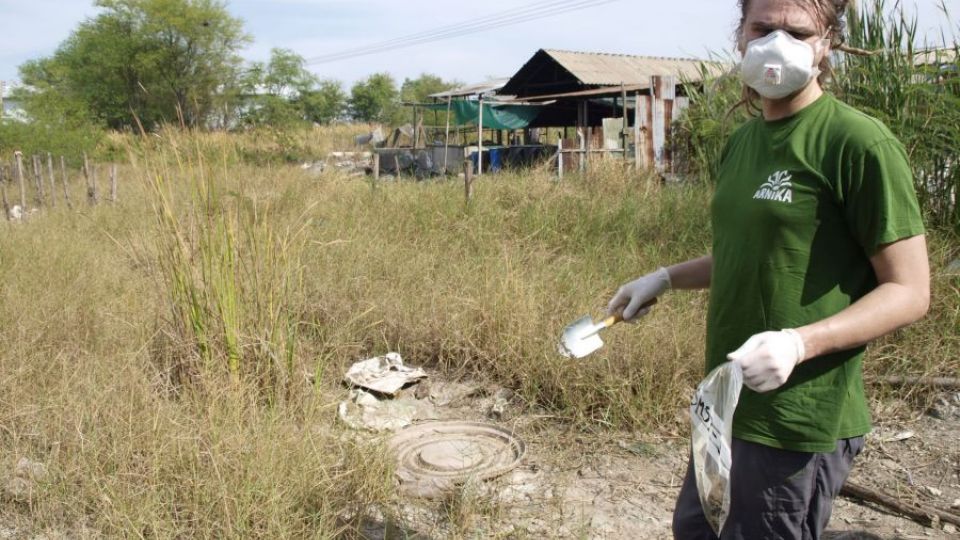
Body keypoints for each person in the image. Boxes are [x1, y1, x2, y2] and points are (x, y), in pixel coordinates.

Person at [605, 0, 930, 538]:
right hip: (726, 401)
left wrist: (800, 343)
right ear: (741, 35)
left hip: (795, 418)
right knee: (695, 528)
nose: (777, 42)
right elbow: (750, 253)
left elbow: (910, 290)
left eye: (797, 31)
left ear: (826, 43)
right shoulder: (742, 141)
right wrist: (664, 278)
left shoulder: (857, 143)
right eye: (763, 27)